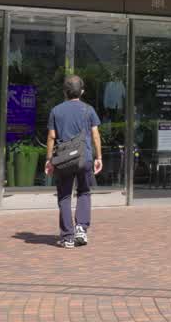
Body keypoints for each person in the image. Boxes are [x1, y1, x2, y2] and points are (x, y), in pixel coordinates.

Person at [44, 75, 103, 249]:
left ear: (65, 92)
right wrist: (99, 157)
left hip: (63, 160)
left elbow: (51, 137)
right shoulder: (88, 109)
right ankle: (81, 229)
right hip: (84, 158)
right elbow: (95, 134)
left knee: (64, 195)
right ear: (82, 91)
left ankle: (67, 237)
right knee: (84, 191)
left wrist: (49, 160)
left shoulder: (56, 111)